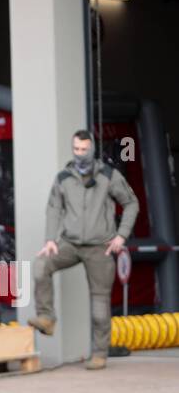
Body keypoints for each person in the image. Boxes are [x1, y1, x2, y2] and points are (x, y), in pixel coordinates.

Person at [30, 129, 138, 370]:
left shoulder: (109, 176)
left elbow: (131, 203)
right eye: (76, 149)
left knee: (100, 304)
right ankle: (47, 318)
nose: (80, 154)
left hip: (100, 247)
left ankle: (99, 353)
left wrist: (121, 236)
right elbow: (53, 209)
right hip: (70, 243)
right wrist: (50, 240)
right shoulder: (63, 178)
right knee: (41, 265)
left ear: (92, 149)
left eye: (84, 150)